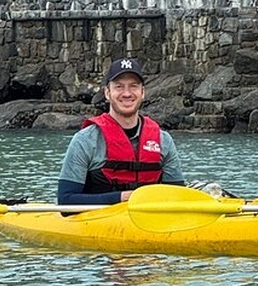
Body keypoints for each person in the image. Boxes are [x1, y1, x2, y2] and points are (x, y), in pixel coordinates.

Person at [58, 58, 186, 205]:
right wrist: (122, 197)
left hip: (149, 221)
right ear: (107, 93)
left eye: (133, 86)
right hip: (98, 222)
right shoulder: (85, 140)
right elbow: (65, 200)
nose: (127, 93)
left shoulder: (164, 141)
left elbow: (178, 197)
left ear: (142, 92)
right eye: (119, 87)